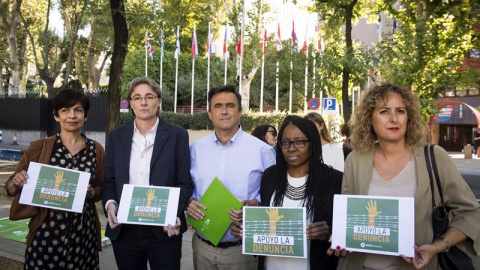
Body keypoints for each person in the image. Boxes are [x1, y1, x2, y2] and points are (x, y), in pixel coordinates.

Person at [329, 83, 480, 269]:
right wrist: (340, 236)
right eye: (384, 111)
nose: (394, 119)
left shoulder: (434, 157)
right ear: (369, 118)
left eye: (400, 111)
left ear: (408, 117)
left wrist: (437, 247)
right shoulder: (355, 160)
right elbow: (350, 218)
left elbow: (470, 213)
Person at [6, 89, 105, 269]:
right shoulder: (40, 147)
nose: (72, 116)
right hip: (45, 235)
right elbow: (11, 188)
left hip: (83, 235)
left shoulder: (96, 150)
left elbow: (101, 189)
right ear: (56, 116)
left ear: (85, 115)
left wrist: (92, 192)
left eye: (78, 110)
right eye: (65, 111)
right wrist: (16, 181)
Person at [102, 77, 193, 270]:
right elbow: (109, 180)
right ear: (131, 103)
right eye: (137, 97)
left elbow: (185, 183)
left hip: (164, 231)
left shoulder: (177, 135)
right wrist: (111, 204)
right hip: (125, 231)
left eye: (149, 97)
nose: (143, 102)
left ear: (159, 100)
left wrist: (173, 212)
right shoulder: (117, 137)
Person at [231, 115, 343, 269]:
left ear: (313, 143)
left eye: (299, 141)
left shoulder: (334, 180)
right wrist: (246, 229)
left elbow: (344, 232)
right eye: (285, 142)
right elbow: (266, 220)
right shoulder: (270, 176)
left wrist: (328, 233)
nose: (291, 148)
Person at [186, 84, 276, 270]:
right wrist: (189, 201)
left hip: (242, 250)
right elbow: (189, 186)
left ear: (240, 111)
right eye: (218, 106)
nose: (224, 111)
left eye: (230, 105)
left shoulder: (262, 151)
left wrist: (253, 205)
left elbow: (274, 194)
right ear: (210, 114)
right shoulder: (195, 149)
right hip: (203, 247)